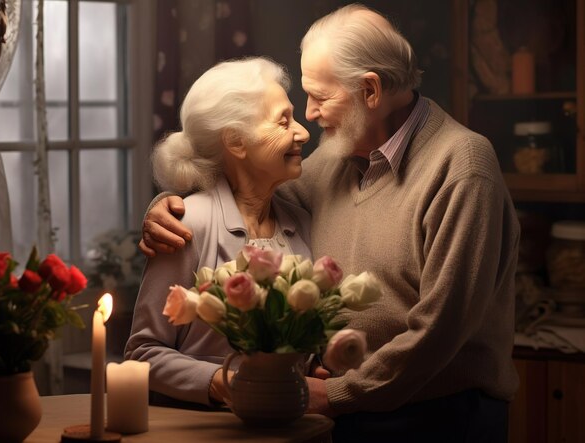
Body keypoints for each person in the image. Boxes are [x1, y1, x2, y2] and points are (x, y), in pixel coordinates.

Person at [139, 4, 520, 442]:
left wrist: (338, 393)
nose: (310, 115)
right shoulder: (336, 158)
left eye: (320, 97)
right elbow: (246, 195)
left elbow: (439, 331)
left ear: (371, 91)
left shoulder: (462, 167)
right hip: (349, 411)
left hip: (440, 418)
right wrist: (170, 206)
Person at [124, 57, 312, 408]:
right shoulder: (188, 223)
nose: (303, 132)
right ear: (237, 142)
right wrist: (223, 383)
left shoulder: (301, 222)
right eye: (283, 121)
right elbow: (142, 352)